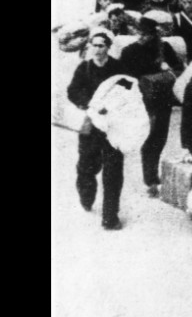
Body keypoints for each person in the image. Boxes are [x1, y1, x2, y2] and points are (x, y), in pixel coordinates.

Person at [119, 17, 185, 197]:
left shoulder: (164, 48)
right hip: (142, 103)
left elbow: (179, 69)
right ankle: (151, 180)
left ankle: (152, 177)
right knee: (149, 140)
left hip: (163, 100)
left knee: (159, 139)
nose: (141, 37)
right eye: (138, 33)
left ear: (153, 34)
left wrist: (168, 68)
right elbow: (124, 79)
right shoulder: (129, 51)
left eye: (145, 34)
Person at [66, 32, 126, 230]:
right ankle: (87, 196)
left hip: (113, 126)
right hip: (91, 125)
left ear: (108, 47)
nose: (98, 49)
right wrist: (89, 103)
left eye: (102, 46)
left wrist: (113, 106)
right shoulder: (85, 68)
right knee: (86, 166)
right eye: (95, 45)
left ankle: (110, 217)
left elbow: (129, 91)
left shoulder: (118, 68)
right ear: (90, 47)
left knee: (113, 172)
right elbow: (73, 91)